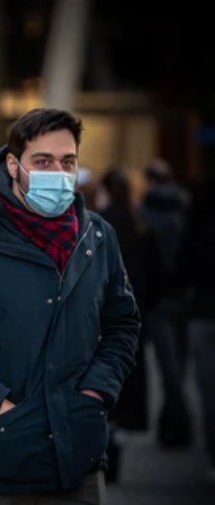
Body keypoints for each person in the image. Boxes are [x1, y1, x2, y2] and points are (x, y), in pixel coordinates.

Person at [0, 108, 140, 505]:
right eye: (43, 161)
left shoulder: (97, 237)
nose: (58, 172)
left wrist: (96, 392)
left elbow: (123, 323)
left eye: (68, 162)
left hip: (75, 465)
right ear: (13, 165)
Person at [98, 168, 165, 482]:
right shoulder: (140, 225)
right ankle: (118, 441)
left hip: (103, 317)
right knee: (129, 381)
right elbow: (158, 275)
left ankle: (108, 442)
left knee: (107, 383)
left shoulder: (99, 225)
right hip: (135, 317)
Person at [139, 159, 192, 448]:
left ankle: (178, 425)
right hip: (185, 297)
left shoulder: (146, 213)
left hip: (159, 300)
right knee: (178, 369)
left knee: (168, 369)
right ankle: (171, 426)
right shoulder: (185, 210)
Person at [176, 175, 215, 481]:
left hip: (203, 313)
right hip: (201, 313)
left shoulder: (198, 223)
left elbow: (182, 266)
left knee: (208, 388)